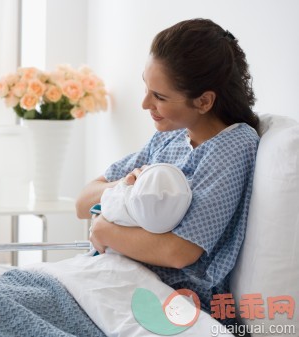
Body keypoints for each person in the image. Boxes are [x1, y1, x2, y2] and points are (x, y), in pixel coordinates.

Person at [76, 18, 260, 326]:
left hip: (171, 299)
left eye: (159, 96)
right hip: (111, 278)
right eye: (147, 89)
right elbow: (82, 203)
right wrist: (126, 186)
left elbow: (179, 251)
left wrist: (104, 230)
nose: (145, 103)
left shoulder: (234, 145)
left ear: (204, 101)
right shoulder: (169, 137)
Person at [97, 163, 192, 233]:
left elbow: (106, 200)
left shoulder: (117, 203)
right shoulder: (159, 142)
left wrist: (126, 183)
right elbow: (83, 204)